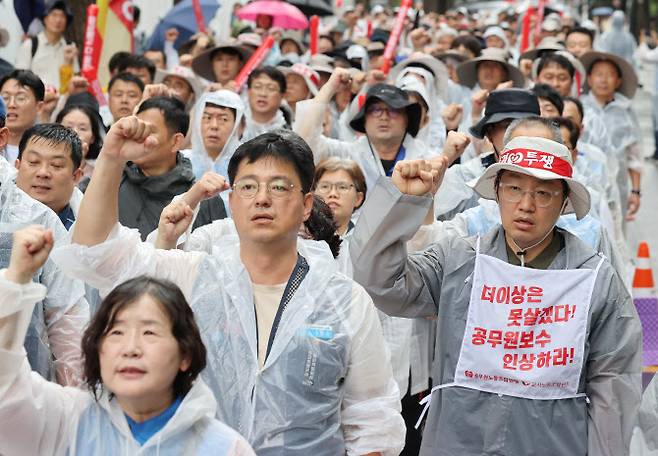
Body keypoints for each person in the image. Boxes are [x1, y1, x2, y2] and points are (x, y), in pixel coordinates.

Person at [52, 125, 405, 455]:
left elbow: (372, 420)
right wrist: (112, 158)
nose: (262, 199)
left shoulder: (343, 299)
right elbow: (97, 255)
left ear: (307, 205)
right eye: (248, 187)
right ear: (232, 201)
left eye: (280, 187)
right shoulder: (191, 276)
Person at [349, 134, 641, 456]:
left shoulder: (593, 279)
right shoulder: (459, 259)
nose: (526, 205)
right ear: (497, 191)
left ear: (563, 203)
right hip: (457, 443)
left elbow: (613, 391)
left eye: (543, 194)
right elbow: (381, 283)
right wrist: (401, 205)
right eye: (514, 188)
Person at [0, 226, 255, 455]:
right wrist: (16, 281)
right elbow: (6, 390)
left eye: (149, 333)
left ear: (185, 355)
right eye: (116, 333)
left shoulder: (225, 448)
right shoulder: (66, 422)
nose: (130, 349)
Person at [295, 68, 431, 194]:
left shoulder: (426, 159)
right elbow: (303, 143)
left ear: (407, 119)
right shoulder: (345, 154)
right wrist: (330, 87)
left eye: (393, 110)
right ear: (364, 120)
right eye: (376, 110)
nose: (384, 117)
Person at [117, 96, 194, 239]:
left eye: (149, 131)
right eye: (138, 129)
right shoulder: (112, 182)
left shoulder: (199, 196)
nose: (138, 137)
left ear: (176, 141)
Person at [580, 51, 642, 221]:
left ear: (618, 81)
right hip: (585, 184)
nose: (603, 80)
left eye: (610, 75)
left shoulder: (625, 109)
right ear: (590, 78)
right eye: (599, 74)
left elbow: (634, 153)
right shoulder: (579, 107)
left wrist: (635, 190)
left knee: (616, 233)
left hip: (618, 183)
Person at [15, 123, 82, 230]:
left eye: (56, 165)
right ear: (17, 167)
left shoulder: (91, 230)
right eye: (34, 161)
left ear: (75, 176)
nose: (43, 173)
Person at [15, 0, 78, 89]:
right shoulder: (30, 45)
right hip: (38, 99)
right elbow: (19, 79)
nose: (58, 20)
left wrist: (68, 62)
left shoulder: (70, 47)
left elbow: (75, 78)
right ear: (45, 18)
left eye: (62, 16)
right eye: (54, 15)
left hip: (64, 99)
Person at [186, 90, 244, 180]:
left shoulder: (248, 163)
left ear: (238, 126)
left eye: (223, 119)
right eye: (207, 118)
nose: (214, 126)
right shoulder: (182, 161)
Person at [0, 70, 44, 163]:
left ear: (39, 107)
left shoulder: (46, 150)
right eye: (5, 97)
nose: (11, 104)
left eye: (21, 98)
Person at [243, 66, 288, 142]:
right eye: (257, 87)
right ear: (248, 91)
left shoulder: (290, 131)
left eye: (271, 88)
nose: (263, 94)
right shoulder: (234, 127)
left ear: (282, 96)